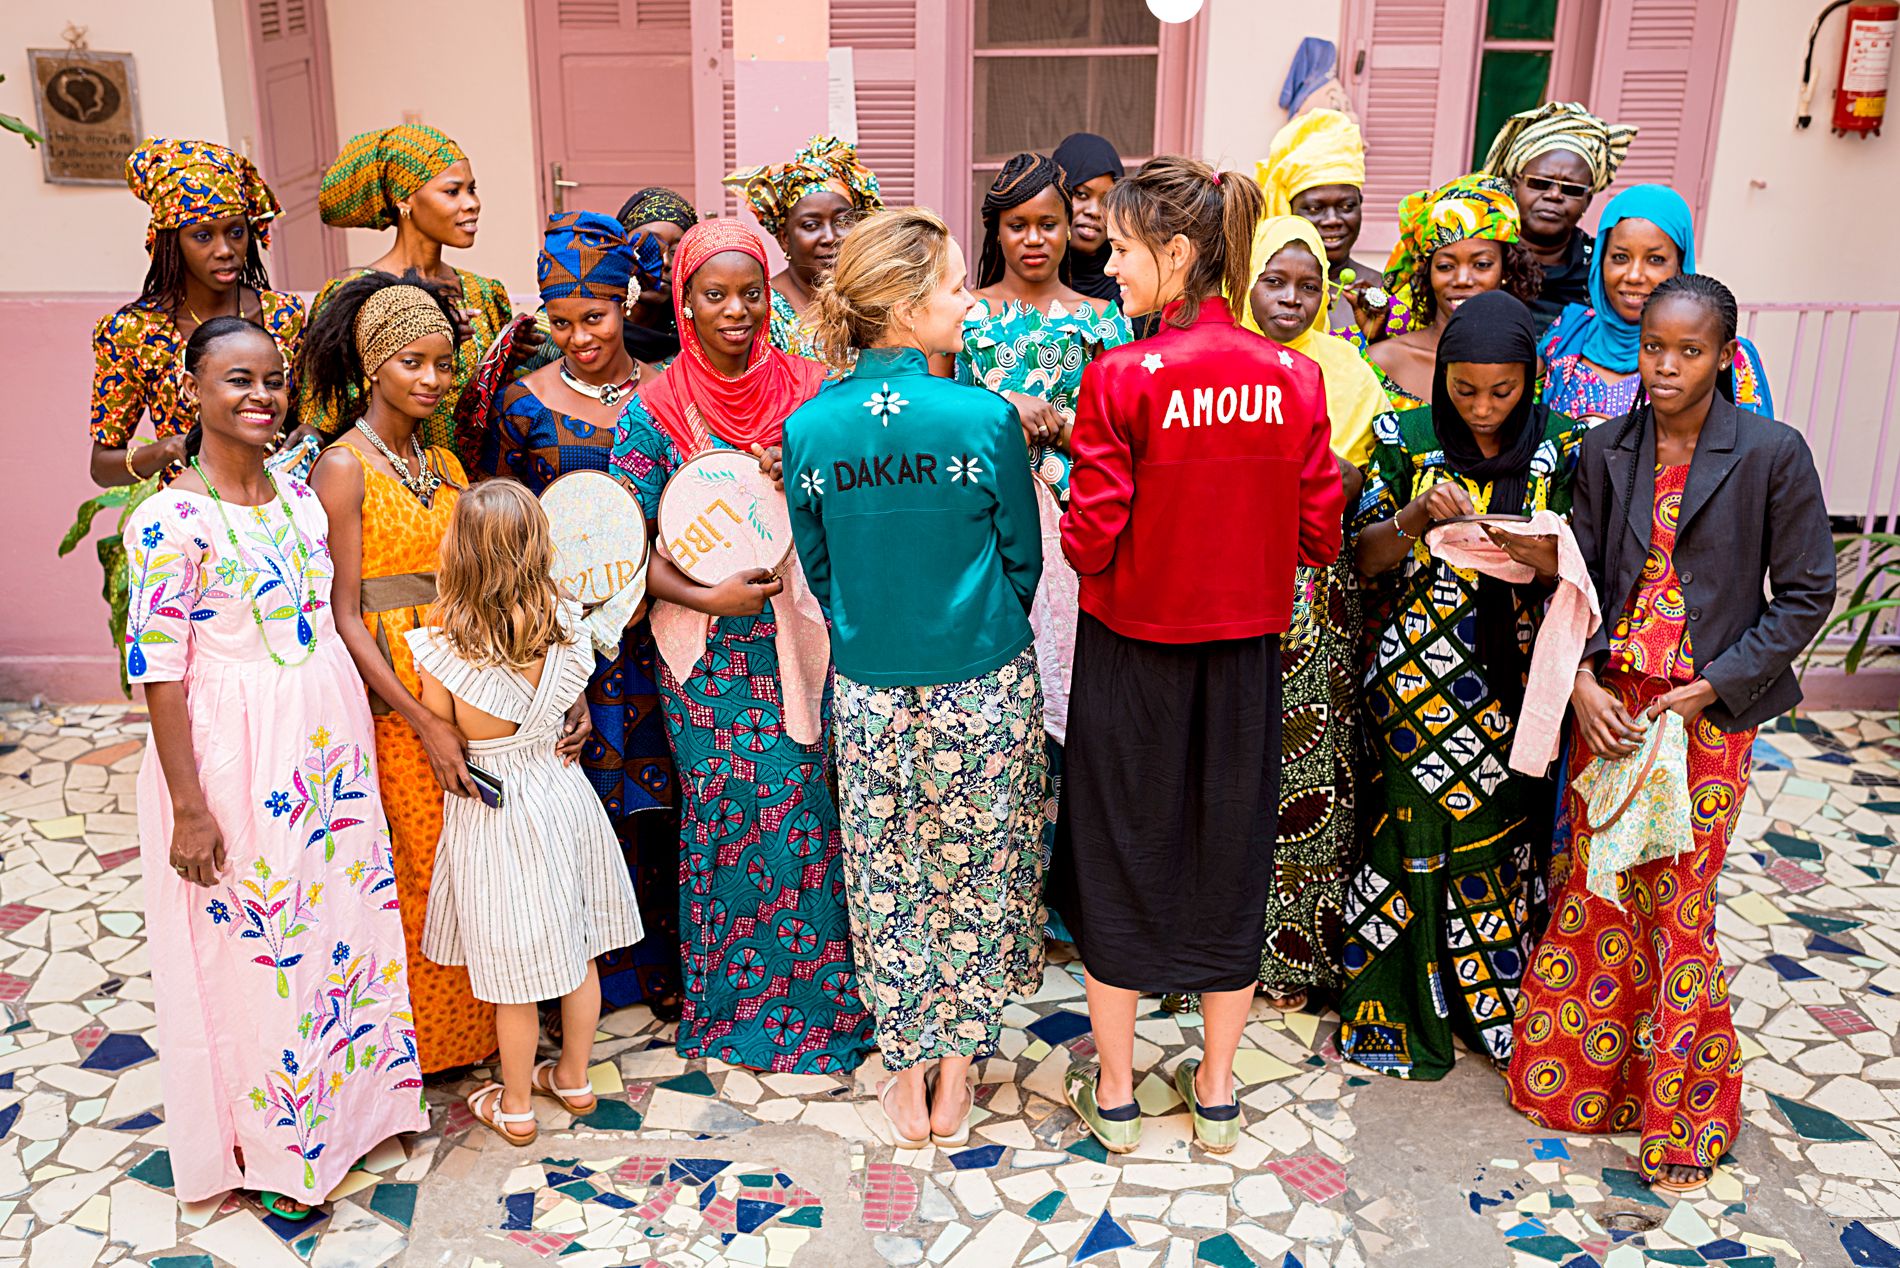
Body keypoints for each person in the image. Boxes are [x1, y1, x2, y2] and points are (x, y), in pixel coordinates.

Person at [1508, 275, 1835, 1193]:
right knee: (1600, 891)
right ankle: (1586, 1086)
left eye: (1688, 351)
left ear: (1723, 356)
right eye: (1654, 346)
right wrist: (1577, 683)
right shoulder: (1608, 449)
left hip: (1706, 715)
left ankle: (1686, 1116)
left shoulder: (1772, 453)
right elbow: (1573, 587)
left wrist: (1714, 687)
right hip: (1615, 705)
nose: (1664, 366)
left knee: (1678, 902)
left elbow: (1809, 593)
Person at [1060, 157, 1344, 1155]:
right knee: (1230, 859)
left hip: (1132, 662)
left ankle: (1117, 1089)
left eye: (1125, 249)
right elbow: (1319, 531)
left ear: (1176, 254)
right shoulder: (1293, 375)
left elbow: (1089, 541)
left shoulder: (1119, 378)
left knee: (1117, 854)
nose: (1110, 267)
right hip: (1244, 667)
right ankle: (1217, 1093)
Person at [124, 317, 425, 1214]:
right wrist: (188, 806)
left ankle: (363, 1111)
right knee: (261, 949)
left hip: (324, 751)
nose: (262, 398)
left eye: (273, 382)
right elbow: (159, 671)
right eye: (238, 382)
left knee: (341, 931)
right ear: (193, 394)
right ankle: (273, 1150)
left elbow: (332, 618)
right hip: (233, 759)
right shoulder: (167, 521)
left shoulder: (299, 500)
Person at [784, 206, 1051, 1147]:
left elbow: (818, 571)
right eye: (949, 286)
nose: (966, 298)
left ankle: (908, 1064)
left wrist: (877, 625)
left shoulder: (810, 430)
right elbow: (1024, 557)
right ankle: (958, 1065)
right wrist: (969, 625)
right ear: (901, 307)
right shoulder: (983, 420)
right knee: (978, 874)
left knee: (886, 874)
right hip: (980, 682)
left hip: (867, 688)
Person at [610, 219, 876, 1073]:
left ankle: (824, 1012)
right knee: (729, 821)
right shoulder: (652, 410)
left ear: (771, 294)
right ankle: (731, 1016)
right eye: (713, 295)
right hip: (709, 658)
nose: (736, 311)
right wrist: (705, 597)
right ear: (682, 302)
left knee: (809, 814)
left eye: (750, 292)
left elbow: (856, 501)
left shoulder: (813, 390)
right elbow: (618, 547)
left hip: (809, 640)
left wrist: (796, 477)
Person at [1336, 290, 1585, 1082]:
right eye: (1464, 389)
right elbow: (1364, 559)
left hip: (1517, 685)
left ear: (1531, 380)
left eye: (1502, 390)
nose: (1482, 408)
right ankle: (1394, 1003)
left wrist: (1537, 553)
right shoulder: (1403, 437)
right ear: (1440, 377)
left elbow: (1586, 569)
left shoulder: (1560, 448)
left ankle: (1488, 1008)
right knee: (1408, 834)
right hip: (1413, 680)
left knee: (1494, 843)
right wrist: (1412, 517)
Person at [306, 276, 515, 1076]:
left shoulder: (448, 461)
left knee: (473, 860)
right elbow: (345, 610)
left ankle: (489, 1031)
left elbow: (475, 583)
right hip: (395, 694)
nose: (430, 380)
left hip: (464, 677)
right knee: (417, 864)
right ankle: (423, 1048)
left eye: (440, 364)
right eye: (410, 363)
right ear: (372, 368)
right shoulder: (344, 468)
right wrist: (419, 718)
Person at [475, 212, 681, 1019]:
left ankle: (664, 971)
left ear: (626, 302)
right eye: (559, 322)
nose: (577, 337)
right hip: (567, 647)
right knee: (581, 805)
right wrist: (545, 663)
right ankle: (588, 980)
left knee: (664, 804)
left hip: (664, 631)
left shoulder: (668, 391)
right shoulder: (523, 409)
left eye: (592, 318)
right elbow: (509, 540)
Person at [408, 480, 645, 1146]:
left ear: (460, 552)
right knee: (578, 953)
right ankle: (572, 1076)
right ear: (540, 546)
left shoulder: (442, 640)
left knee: (514, 978)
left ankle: (514, 1104)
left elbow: (448, 729)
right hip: (564, 793)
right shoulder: (567, 621)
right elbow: (573, 695)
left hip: (498, 809)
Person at [960, 155, 1133, 884]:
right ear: (995, 231)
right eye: (1017, 225)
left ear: (1073, 229)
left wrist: (1068, 430)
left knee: (1078, 706)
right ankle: (1005, 890)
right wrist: (1001, 411)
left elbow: (1130, 430)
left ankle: (1072, 896)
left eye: (1049, 224)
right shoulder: (964, 315)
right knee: (1002, 706)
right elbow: (939, 421)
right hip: (986, 534)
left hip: (1079, 528)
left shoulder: (1105, 320)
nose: (1034, 239)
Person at [1234, 214, 1389, 1010]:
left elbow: (1344, 485)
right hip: (1224, 582)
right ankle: (1221, 958)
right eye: (1275, 280)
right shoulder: (1226, 361)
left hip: (1309, 597)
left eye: (1308, 285)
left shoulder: (1348, 373)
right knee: (1229, 770)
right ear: (1245, 280)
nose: (1292, 299)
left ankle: (1294, 958)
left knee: (1304, 771)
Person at [91, 138, 305, 490]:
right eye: (203, 236)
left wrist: (310, 433)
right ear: (172, 241)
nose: (225, 250)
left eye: (236, 232)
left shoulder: (283, 315)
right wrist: (169, 449)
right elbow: (103, 466)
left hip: (282, 514)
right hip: (194, 520)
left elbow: (306, 417)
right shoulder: (134, 332)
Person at [301, 125, 513, 454]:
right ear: (405, 200)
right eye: (453, 192)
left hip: (474, 489)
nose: (473, 203)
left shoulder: (485, 294)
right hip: (393, 486)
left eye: (472, 189)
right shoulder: (353, 295)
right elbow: (324, 417)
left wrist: (509, 355)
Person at [1542, 185, 1776, 426]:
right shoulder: (1566, 335)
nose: (1634, 275)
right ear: (1601, 261)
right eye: (1620, 257)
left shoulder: (1723, 357)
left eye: (1655, 260)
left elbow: (1756, 455)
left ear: (1679, 267)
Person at [1368, 174, 1543, 411]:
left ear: (1506, 270)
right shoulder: (1383, 361)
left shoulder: (1530, 369)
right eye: (1445, 266)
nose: (1462, 280)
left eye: (1481, 264)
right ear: (1426, 274)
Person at [1481, 101, 1638, 334]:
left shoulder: (1603, 268)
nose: (1554, 195)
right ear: (1514, 186)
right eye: (1540, 183)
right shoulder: (1480, 256)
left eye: (1571, 189)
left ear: (1588, 200)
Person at [724, 135, 884, 359]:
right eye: (811, 225)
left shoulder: (877, 299)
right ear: (784, 238)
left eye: (843, 222)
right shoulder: (762, 310)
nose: (830, 237)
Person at [1255, 109, 1406, 343]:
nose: (1333, 220)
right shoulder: (1256, 292)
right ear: (1290, 211)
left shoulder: (1385, 292)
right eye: (1315, 209)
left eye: (1346, 206)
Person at [618, 186, 700, 365]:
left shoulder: (697, 336)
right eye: (650, 248)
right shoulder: (581, 323)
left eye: (675, 252)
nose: (666, 262)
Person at [1050, 133, 1124, 307]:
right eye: (1081, 194)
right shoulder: (1026, 277)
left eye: (1106, 201)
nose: (1095, 212)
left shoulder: (1131, 288)